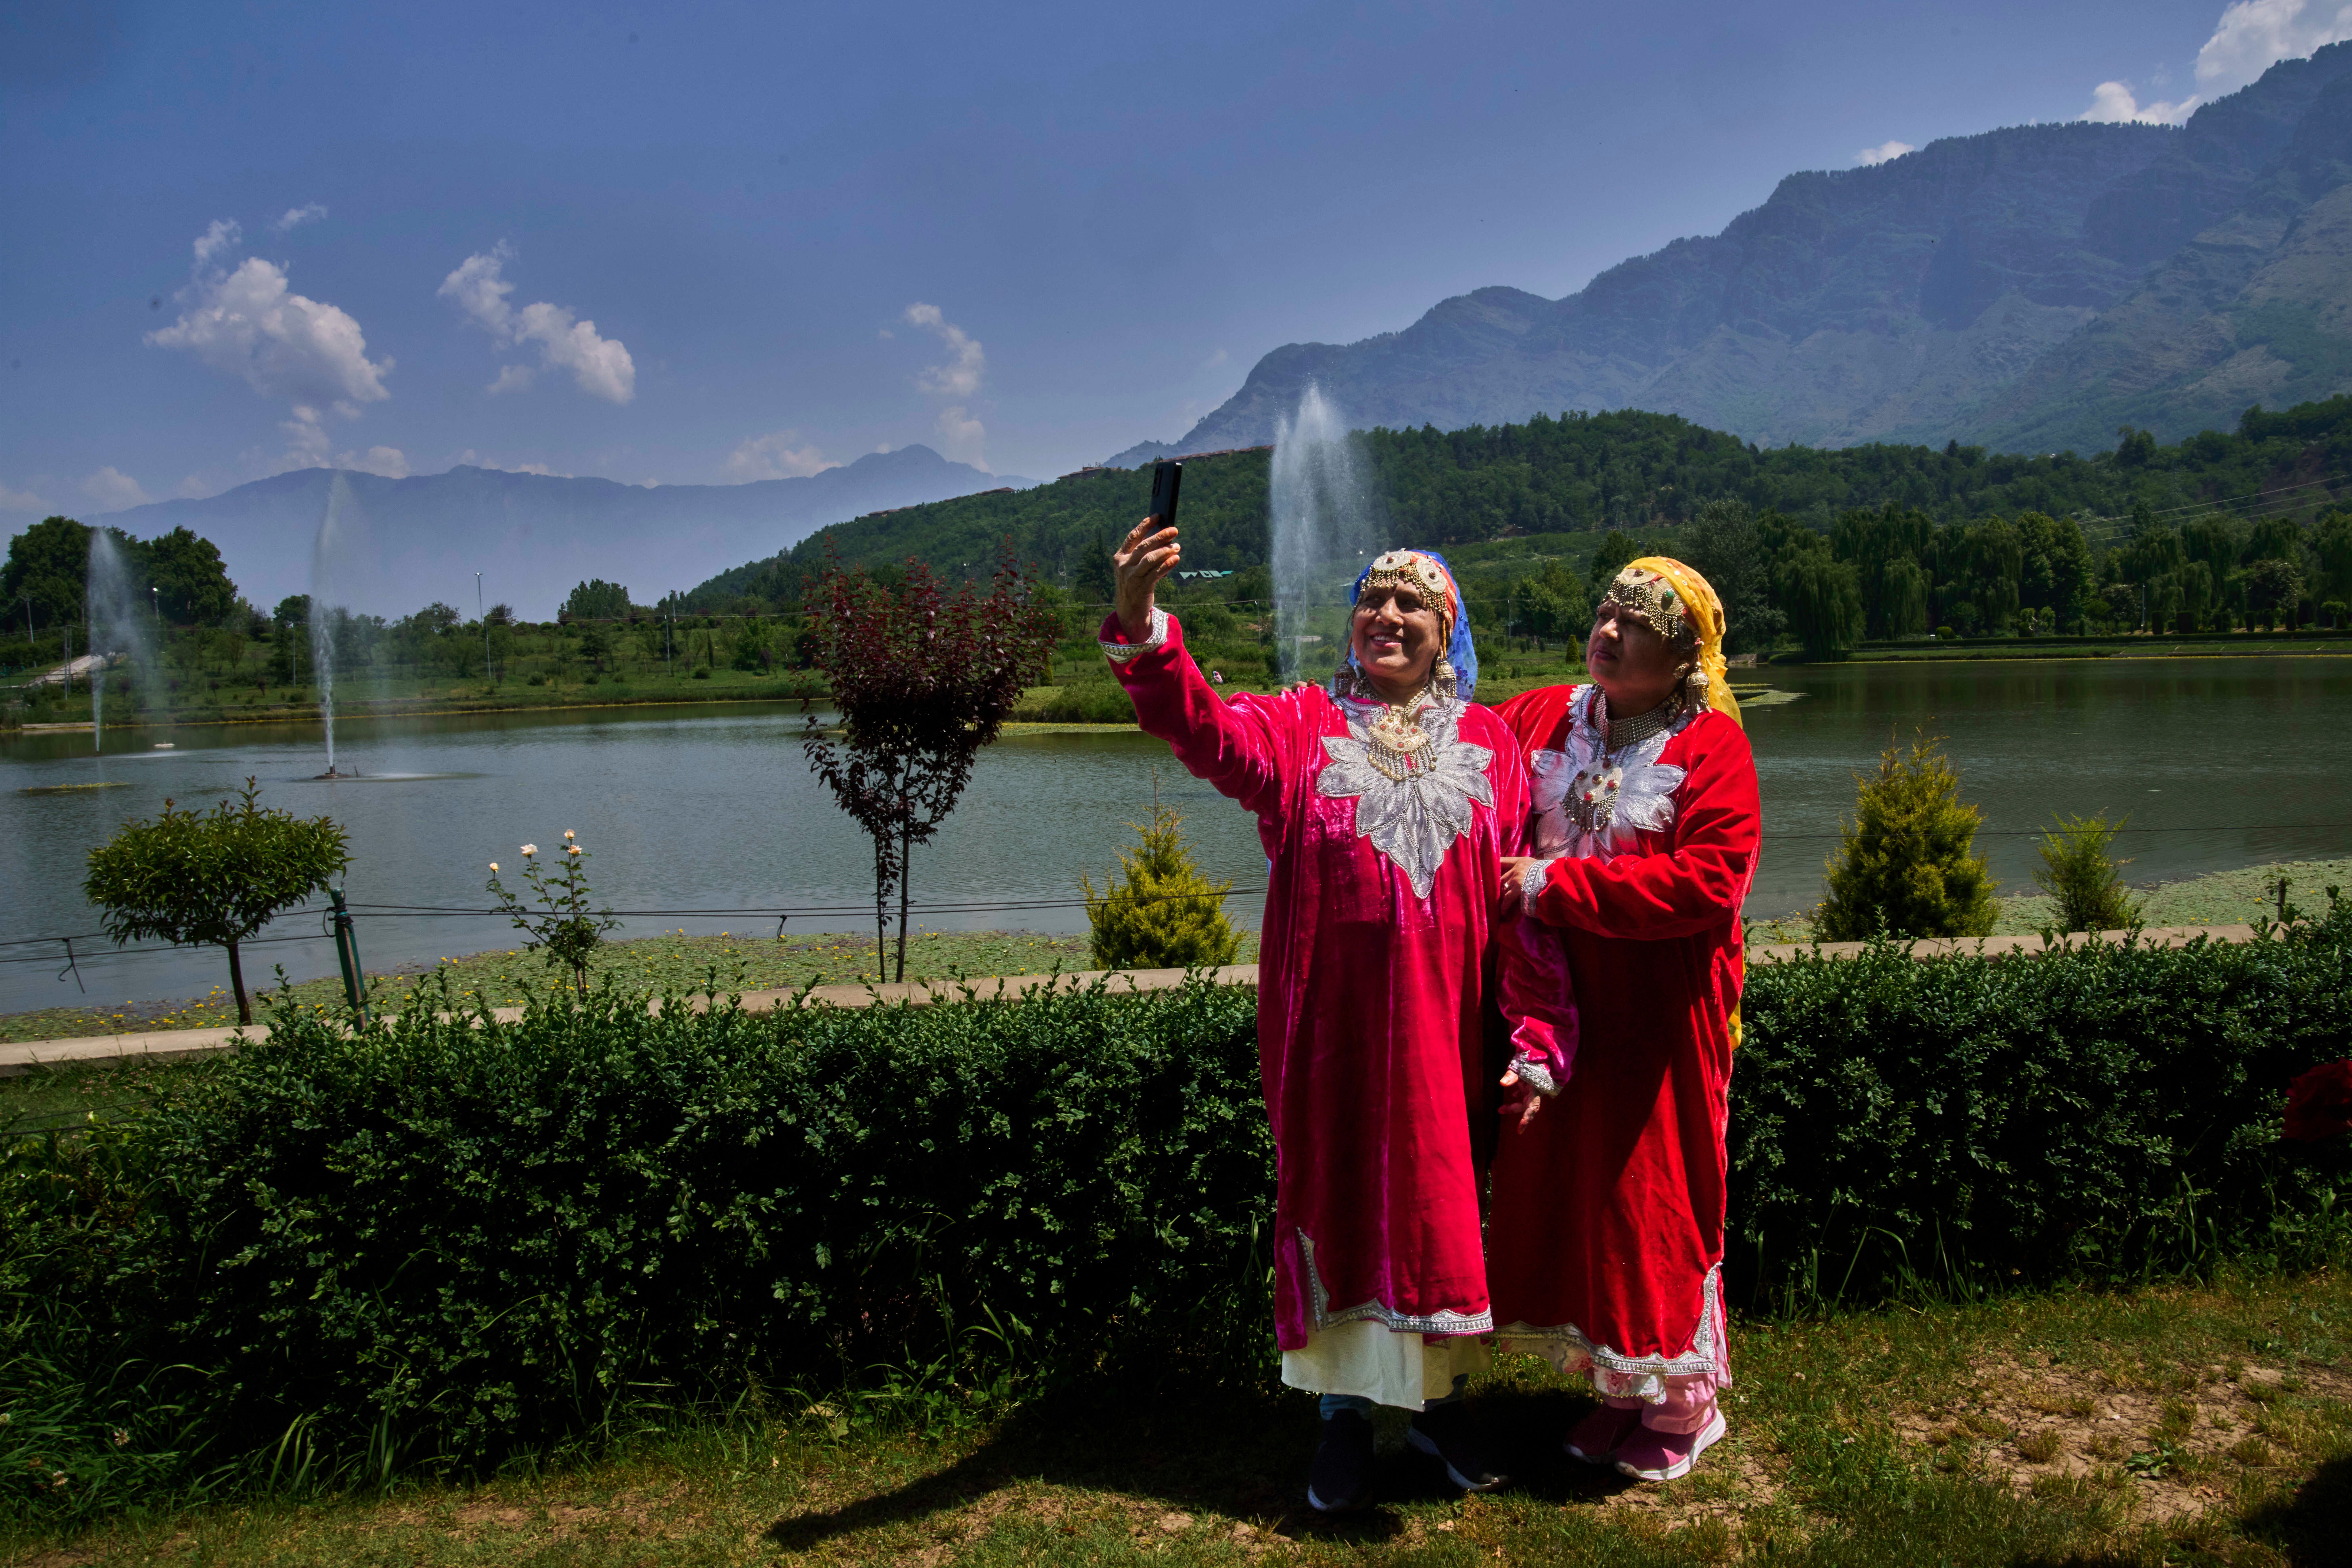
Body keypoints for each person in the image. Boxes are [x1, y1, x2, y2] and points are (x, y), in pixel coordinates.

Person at [1102, 518, 1572, 1513]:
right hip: (1333, 1037)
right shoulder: (1296, 725)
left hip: (1450, 1039)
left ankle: (1440, 1410)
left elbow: (1520, 914)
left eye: (1414, 604)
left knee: (1445, 1210)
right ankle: (1342, 1422)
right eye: (1374, 598)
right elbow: (1202, 731)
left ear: (1450, 632)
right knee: (1341, 1202)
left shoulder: (1492, 745)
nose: (1388, 615)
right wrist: (1144, 624)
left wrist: (1535, 1042)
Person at [1487, 558, 1761, 1484]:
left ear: (1683, 654)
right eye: (1604, 615)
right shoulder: (1545, 717)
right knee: (1589, 1201)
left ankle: (1687, 1402)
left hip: (1660, 1018)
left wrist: (1555, 884)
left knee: (1658, 1200)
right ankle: (1617, 1386)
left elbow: (1709, 883)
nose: (1608, 634)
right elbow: (1459, 741)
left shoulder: (1710, 746)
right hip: (1562, 1014)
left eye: (1634, 625)